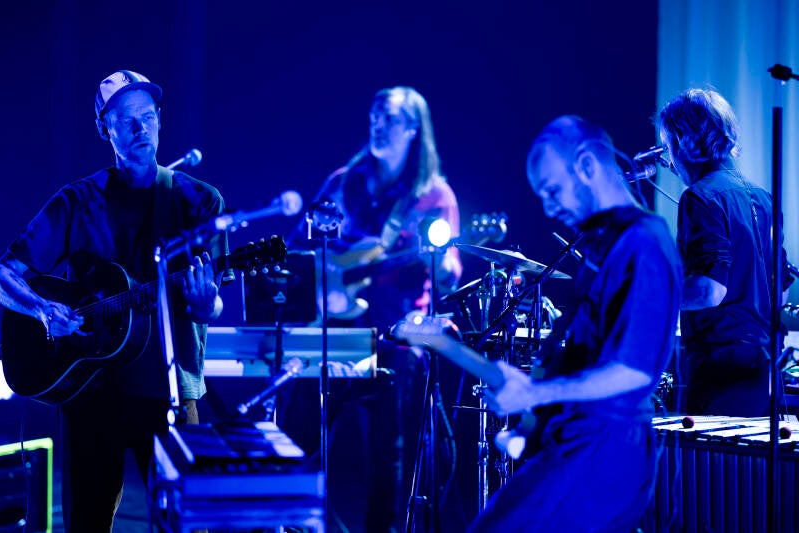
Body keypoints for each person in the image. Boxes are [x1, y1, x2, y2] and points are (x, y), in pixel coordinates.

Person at [397, 115, 681, 531]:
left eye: (552, 189)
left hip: (603, 451)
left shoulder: (643, 243)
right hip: (578, 443)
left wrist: (537, 391)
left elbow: (632, 371)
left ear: (587, 165)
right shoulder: (605, 247)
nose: (548, 207)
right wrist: (532, 413)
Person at [0, 70, 227, 532]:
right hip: (89, 391)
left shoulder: (196, 201)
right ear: (105, 128)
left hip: (168, 392)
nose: (141, 128)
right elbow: (5, 272)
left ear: (160, 119)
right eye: (127, 120)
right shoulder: (78, 201)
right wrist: (42, 309)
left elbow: (213, 302)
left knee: (184, 524)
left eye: (148, 116)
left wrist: (207, 306)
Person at [286, 86, 462, 531]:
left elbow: (450, 272)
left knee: (389, 458)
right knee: (296, 439)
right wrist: (326, 274)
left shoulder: (434, 196)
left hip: (397, 338)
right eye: (375, 117)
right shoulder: (344, 182)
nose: (378, 126)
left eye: (390, 119)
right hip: (336, 333)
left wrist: (442, 266)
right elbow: (298, 245)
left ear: (413, 128)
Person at [656, 88, 793, 416]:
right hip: (763, 367)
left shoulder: (700, 197)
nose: (670, 160)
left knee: (705, 451)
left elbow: (709, 290)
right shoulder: (764, 197)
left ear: (683, 142)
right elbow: (781, 291)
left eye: (669, 145)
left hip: (719, 369)